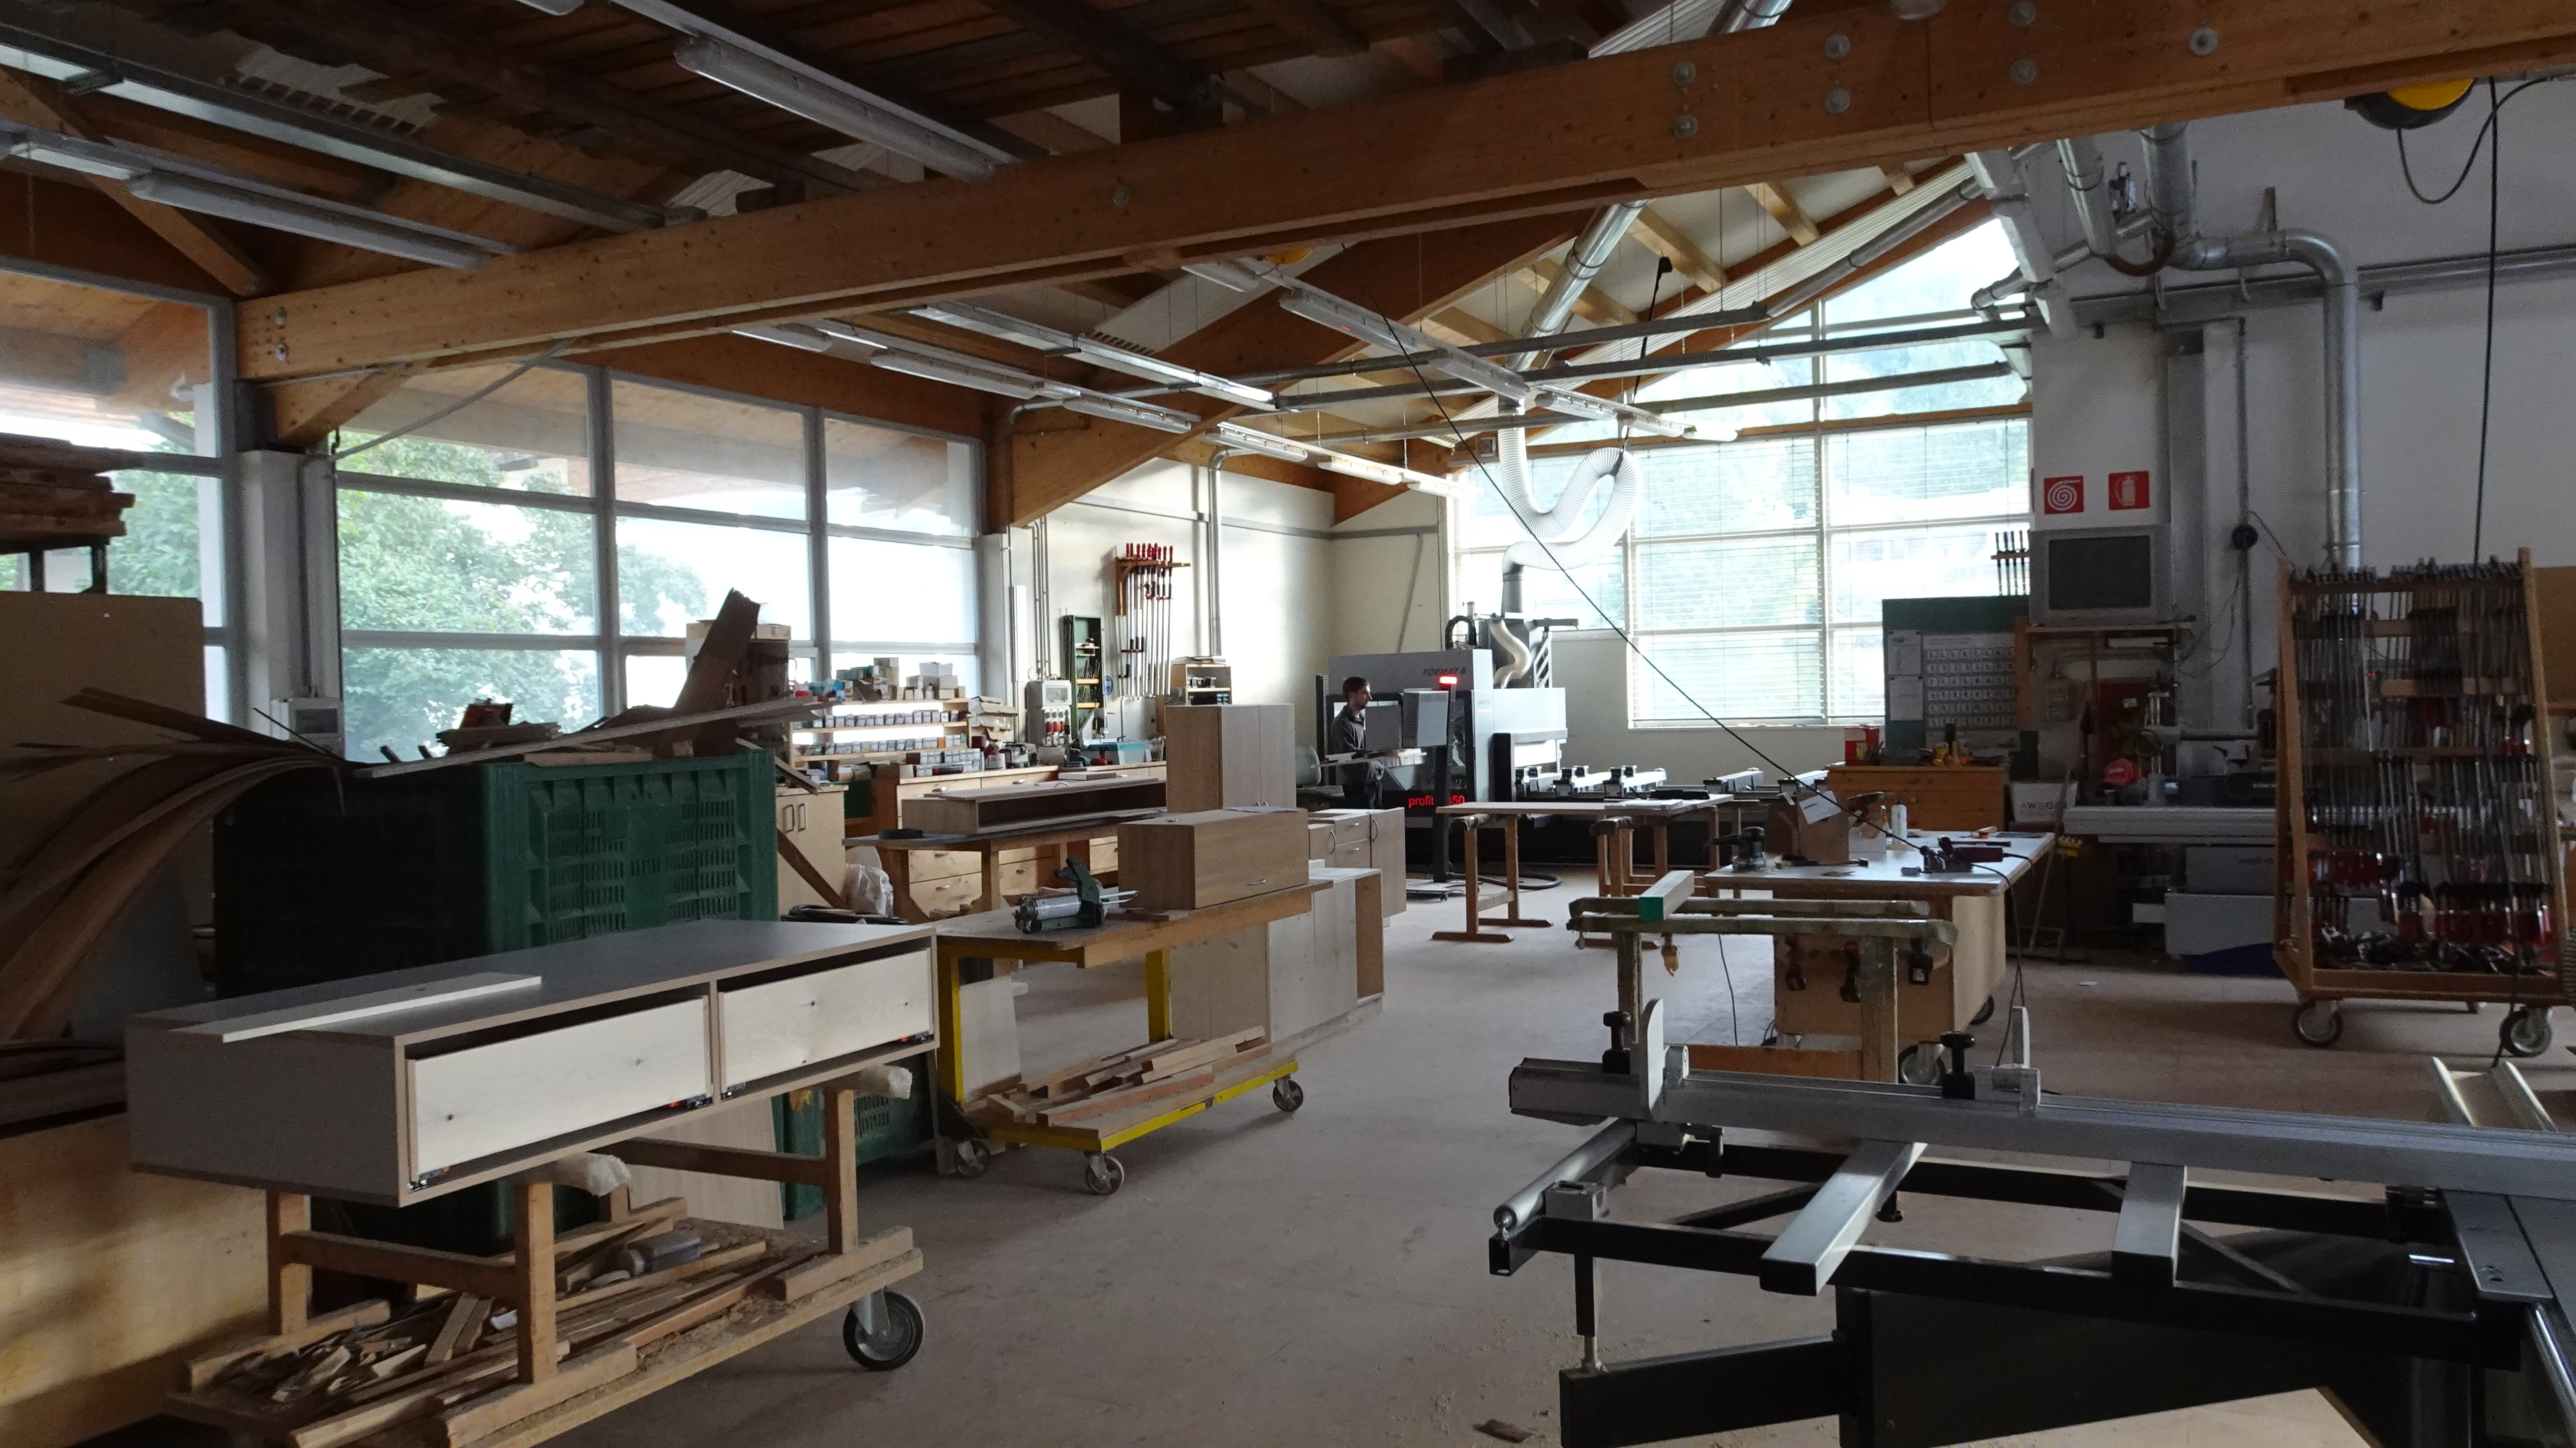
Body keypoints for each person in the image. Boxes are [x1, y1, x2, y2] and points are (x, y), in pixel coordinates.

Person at [1331, 676, 1375, 807]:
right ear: (1351, 695)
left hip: (1371, 784)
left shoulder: (1364, 721)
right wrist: (1375, 767)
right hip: (1355, 788)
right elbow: (1348, 758)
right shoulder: (1341, 724)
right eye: (1365, 693)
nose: (1370, 698)